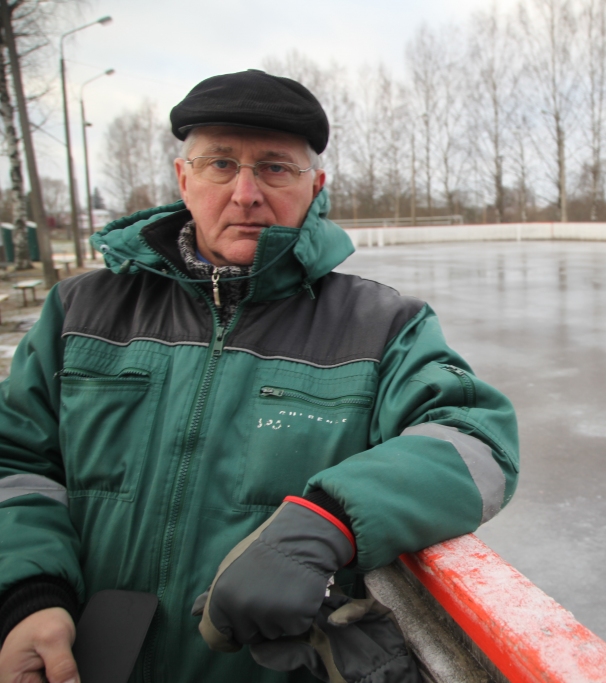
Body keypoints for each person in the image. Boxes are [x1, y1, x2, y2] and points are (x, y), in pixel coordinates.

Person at [0, 69, 519, 682]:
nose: (246, 193)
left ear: (316, 186)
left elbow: (476, 442)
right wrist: (28, 595)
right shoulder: (80, 311)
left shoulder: (380, 326)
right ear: (183, 178)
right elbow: (16, 463)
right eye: (221, 164)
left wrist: (328, 519)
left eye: (275, 168)